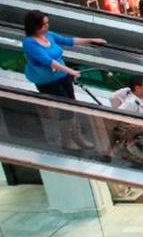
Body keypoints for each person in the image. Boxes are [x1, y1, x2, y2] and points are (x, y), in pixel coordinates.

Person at [23, 10, 107, 152]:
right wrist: (70, 71)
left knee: (72, 104)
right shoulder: (29, 43)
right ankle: (67, 139)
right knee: (65, 109)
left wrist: (91, 40)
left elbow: (68, 41)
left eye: (47, 23)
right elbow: (48, 61)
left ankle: (77, 136)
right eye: (44, 24)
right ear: (35, 26)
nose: (47, 26)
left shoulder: (49, 35)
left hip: (62, 76)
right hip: (48, 81)